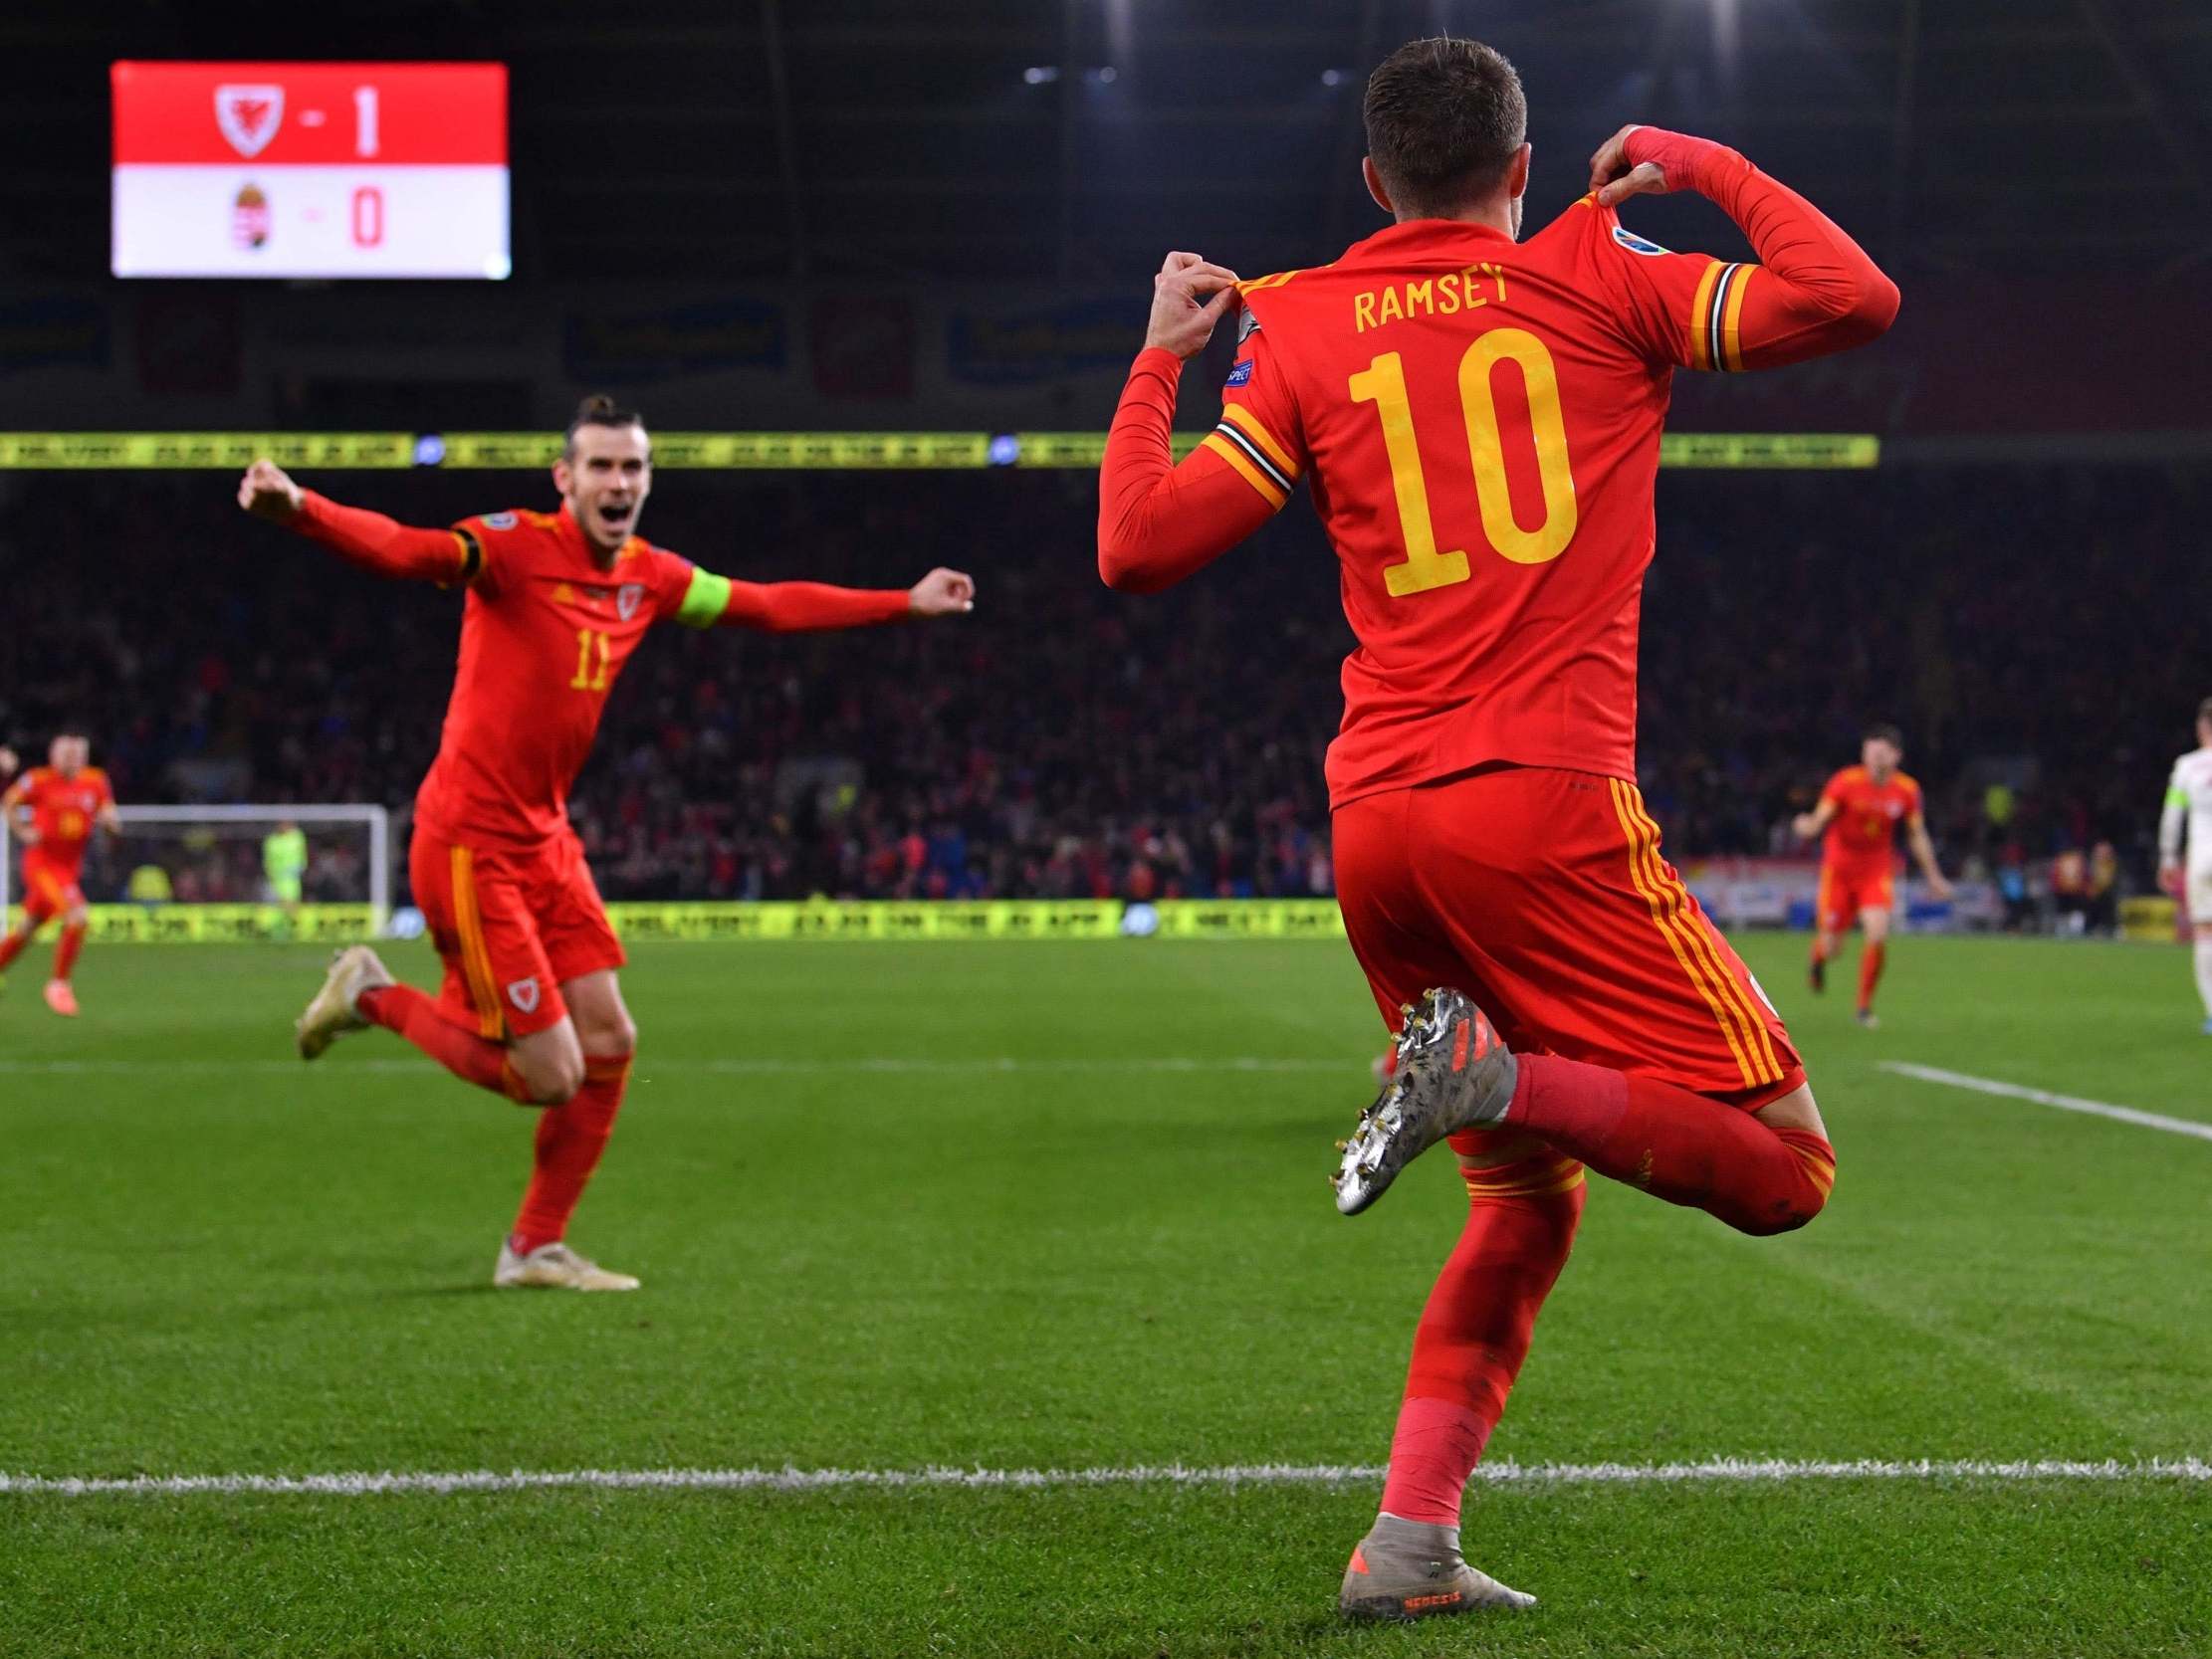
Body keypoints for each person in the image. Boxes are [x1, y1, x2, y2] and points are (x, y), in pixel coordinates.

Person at [1098, 37, 1896, 1621]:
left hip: (1376, 827)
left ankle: (1407, 1542)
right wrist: (1696, 158)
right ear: (1523, 170)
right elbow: (1853, 297)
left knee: (1520, 1192)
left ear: (1372, 181)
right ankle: (1494, 1074)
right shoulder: (1601, 267)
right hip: (1541, 808)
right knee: (1790, 1168)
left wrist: (1154, 361)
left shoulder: (1303, 317)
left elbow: (1134, 548)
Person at [239, 395, 975, 1291]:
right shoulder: (510, 547)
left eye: (633, 467)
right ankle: (373, 994)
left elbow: (768, 606)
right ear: (565, 478)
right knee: (550, 1073)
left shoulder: (650, 575)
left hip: (546, 838)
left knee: (611, 1038)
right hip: (469, 841)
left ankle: (534, 1248)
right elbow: (408, 548)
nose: (619, 482)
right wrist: (302, 509)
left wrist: (904, 601)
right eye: (601, 466)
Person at [1791, 724, 1954, 1027]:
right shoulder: (1845, 782)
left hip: (1875, 871)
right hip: (1838, 871)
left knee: (1877, 932)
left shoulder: (1907, 790)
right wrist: (1807, 826)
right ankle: (1818, 958)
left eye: (1882, 753)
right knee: (1832, 947)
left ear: (1896, 756)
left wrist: (1933, 876)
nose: (1875, 758)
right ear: (1864, 753)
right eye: (1871, 751)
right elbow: (1820, 819)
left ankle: (1863, 1008)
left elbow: (1917, 835)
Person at [0, 732, 121, 1016]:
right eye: (66, 754)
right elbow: (9, 801)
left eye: (77, 754)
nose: (71, 760)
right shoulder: (39, 780)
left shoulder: (95, 781)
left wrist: (111, 824)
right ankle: (58, 984)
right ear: (54, 756)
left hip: (68, 869)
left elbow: (111, 817)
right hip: (42, 866)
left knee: (27, 928)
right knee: (77, 916)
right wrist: (22, 832)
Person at [2155, 698, 2212, 1031]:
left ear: (2202, 727)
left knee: (2205, 932)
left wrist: (2167, 856)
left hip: (2203, 857)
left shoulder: (2187, 766)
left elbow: (2172, 816)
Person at [263, 819, 309, 931]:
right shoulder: (271, 841)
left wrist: (300, 868)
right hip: (276, 878)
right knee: (280, 905)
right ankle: (283, 929)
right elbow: (268, 860)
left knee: (290, 903)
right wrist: (271, 874)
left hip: (292, 878)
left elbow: (302, 857)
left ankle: (291, 927)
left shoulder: (297, 837)